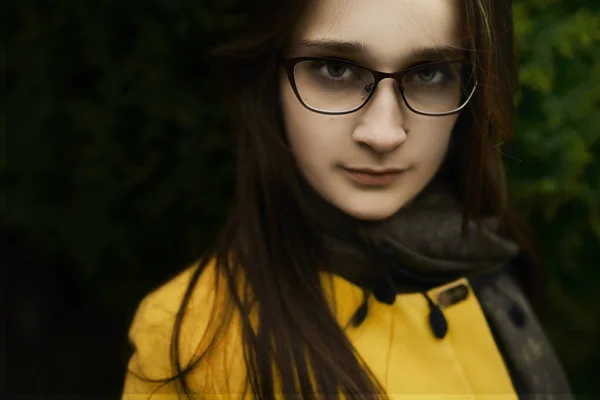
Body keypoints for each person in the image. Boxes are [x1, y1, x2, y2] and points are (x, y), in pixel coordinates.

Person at [121, 0, 573, 398]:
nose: (383, 133)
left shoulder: (485, 262)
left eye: (430, 74)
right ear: (269, 77)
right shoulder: (192, 338)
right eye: (336, 69)